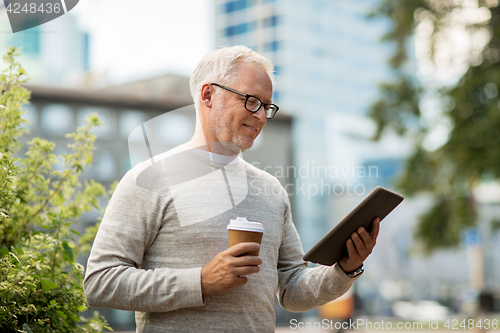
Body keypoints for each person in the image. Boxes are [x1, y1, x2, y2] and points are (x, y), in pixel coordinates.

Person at [83, 45, 380, 333]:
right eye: (251, 101)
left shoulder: (271, 189)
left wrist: (345, 269)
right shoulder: (148, 179)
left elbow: (292, 289)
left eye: (267, 106)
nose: (261, 116)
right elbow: (100, 282)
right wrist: (201, 281)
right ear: (208, 94)